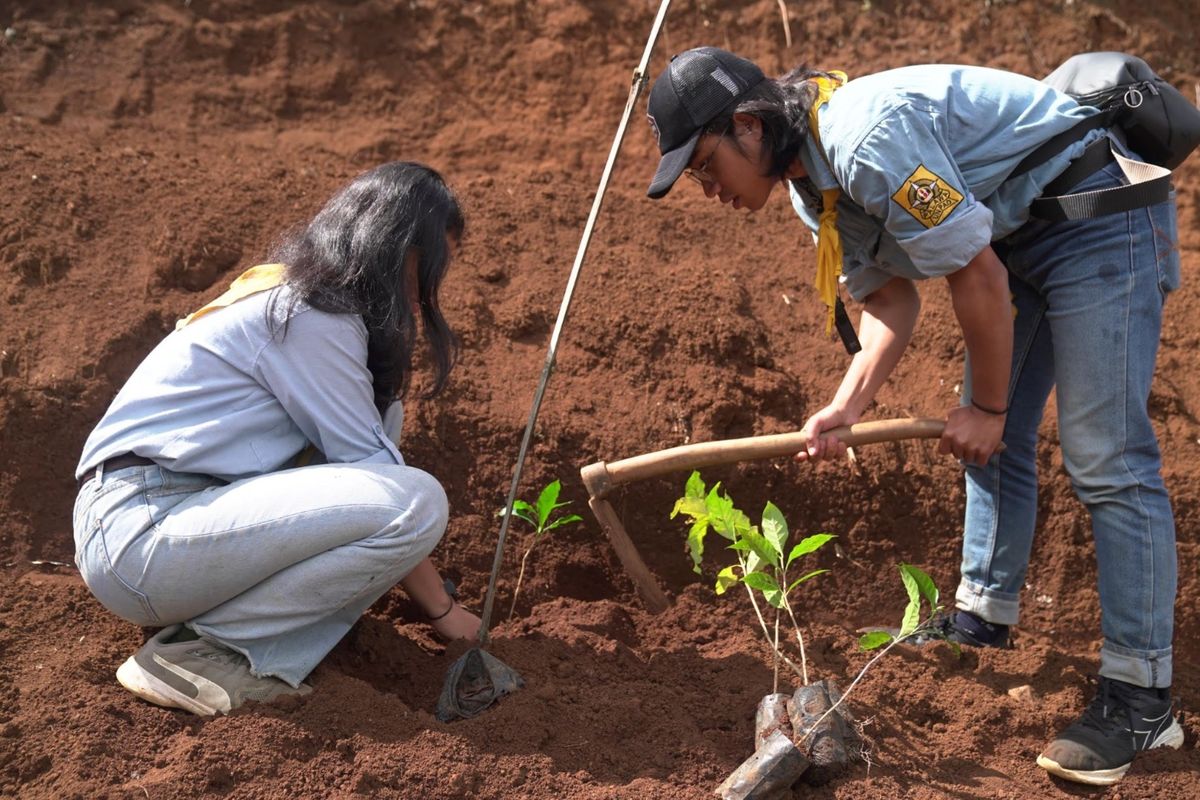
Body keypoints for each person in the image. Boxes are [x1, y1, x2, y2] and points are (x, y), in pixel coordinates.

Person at [644, 47, 1182, 785]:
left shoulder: (867, 142)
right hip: (1019, 234)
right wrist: (846, 404)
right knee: (992, 442)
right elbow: (890, 301)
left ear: (747, 127)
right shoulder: (813, 190)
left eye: (705, 165)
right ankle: (981, 622)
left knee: (1105, 456)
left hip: (1097, 216)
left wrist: (988, 407)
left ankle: (1142, 701)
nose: (708, 189)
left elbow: (977, 276)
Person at [72, 161, 481, 716]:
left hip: (164, 530)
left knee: (388, 430)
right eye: (426, 269)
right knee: (414, 499)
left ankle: (217, 629)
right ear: (390, 246)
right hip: (143, 534)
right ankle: (208, 651)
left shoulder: (299, 301)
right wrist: (444, 612)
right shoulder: (308, 317)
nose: (426, 295)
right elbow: (389, 495)